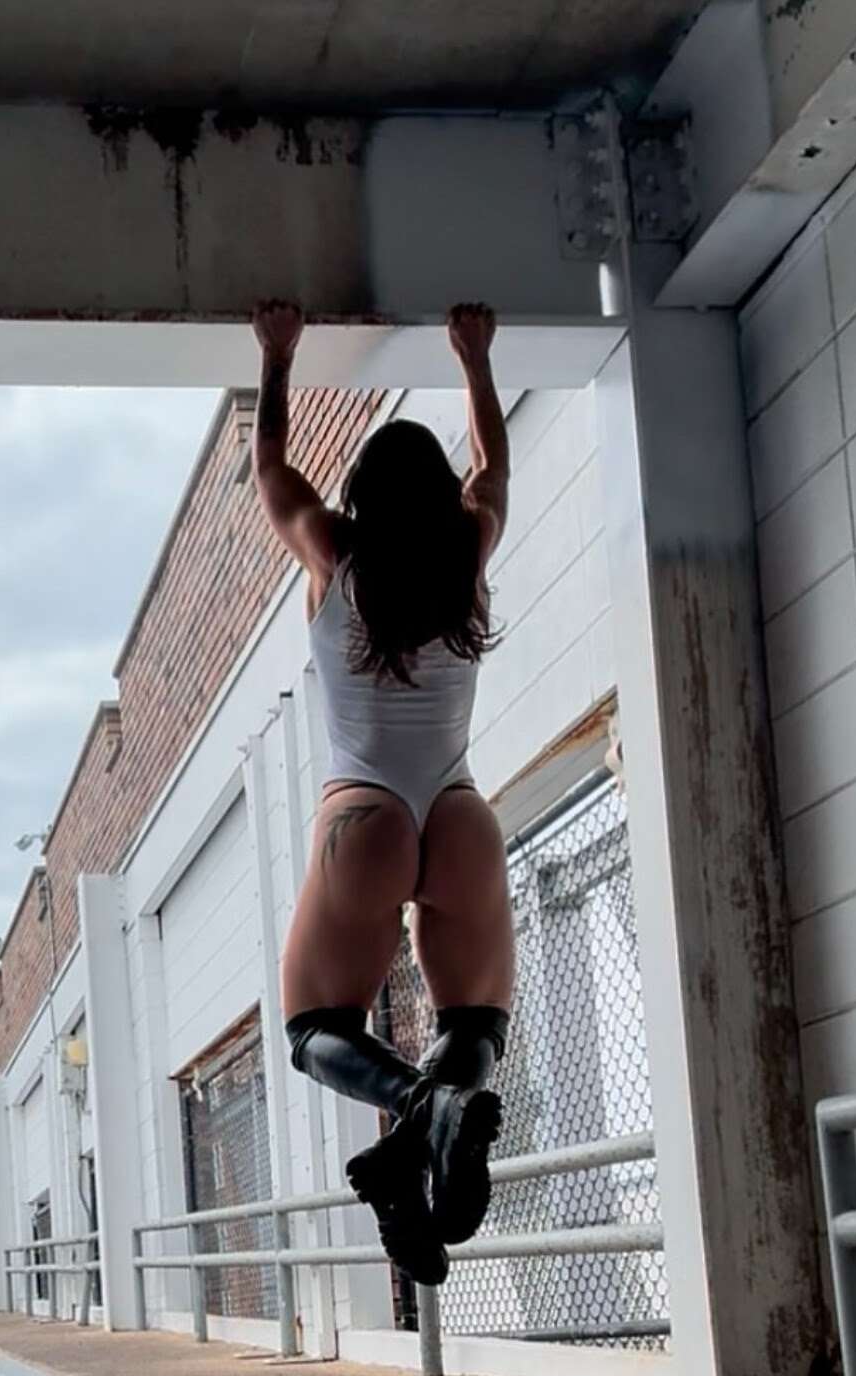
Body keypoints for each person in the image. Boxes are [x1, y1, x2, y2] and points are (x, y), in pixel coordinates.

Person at [251, 300, 515, 1286]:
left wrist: (277, 356)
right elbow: (492, 467)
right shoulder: (468, 550)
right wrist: (474, 359)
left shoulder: (335, 554)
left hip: (361, 818)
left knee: (313, 1028)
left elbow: (271, 472)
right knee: (473, 1022)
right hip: (458, 812)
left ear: (359, 497)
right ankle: (432, 1118)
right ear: (442, 494)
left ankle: (419, 1109)